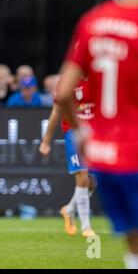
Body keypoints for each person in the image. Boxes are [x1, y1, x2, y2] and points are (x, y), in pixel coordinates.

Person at [56, 0, 138, 269]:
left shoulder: (92, 22)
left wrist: (81, 133)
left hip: (105, 158)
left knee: (136, 246)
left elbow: (64, 91)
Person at [39, 79, 96, 238]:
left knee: (92, 183)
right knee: (82, 176)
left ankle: (69, 209)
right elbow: (56, 112)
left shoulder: (99, 77)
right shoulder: (68, 81)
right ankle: (86, 226)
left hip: (95, 133)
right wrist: (46, 141)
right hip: (74, 132)